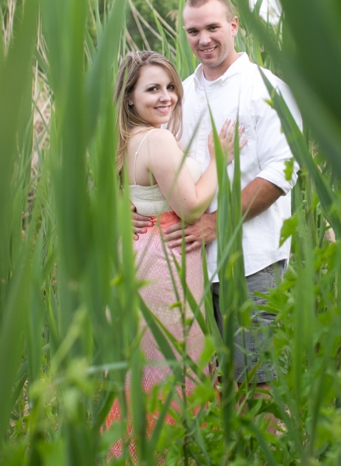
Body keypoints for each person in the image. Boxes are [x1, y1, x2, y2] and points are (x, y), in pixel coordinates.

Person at [132, 0, 301, 395]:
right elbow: (151, 161)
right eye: (193, 30)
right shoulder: (178, 95)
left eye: (212, 27)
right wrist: (129, 205)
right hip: (186, 265)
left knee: (257, 376)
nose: (203, 38)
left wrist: (217, 222)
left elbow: (284, 170)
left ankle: (259, 458)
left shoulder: (267, 88)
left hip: (250, 259)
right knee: (209, 382)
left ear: (234, 26)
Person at [108, 50, 241, 460]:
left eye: (170, 87)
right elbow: (191, 206)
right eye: (152, 89)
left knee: (142, 371)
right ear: (129, 98)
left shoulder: (123, 140)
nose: (166, 97)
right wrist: (222, 156)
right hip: (165, 264)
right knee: (175, 366)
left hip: (135, 260)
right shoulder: (158, 139)